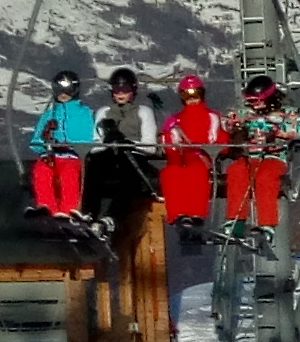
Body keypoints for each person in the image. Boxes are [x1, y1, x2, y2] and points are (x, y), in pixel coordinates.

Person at [224, 73, 300, 235]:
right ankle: (235, 221)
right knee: (236, 171)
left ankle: (267, 223)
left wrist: (277, 132)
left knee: (265, 177)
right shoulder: (244, 113)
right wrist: (237, 129)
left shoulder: (286, 113)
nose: (252, 105)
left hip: (273, 157)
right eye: (249, 100)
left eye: (256, 101)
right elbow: (227, 123)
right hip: (249, 156)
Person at [83, 68, 156, 226]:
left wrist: (129, 143)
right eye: (117, 89)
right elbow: (94, 146)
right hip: (109, 156)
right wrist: (107, 143)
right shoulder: (104, 112)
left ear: (133, 91)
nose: (121, 93)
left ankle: (112, 215)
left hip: (133, 156)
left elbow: (151, 147)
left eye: (126, 89)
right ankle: (89, 212)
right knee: (95, 165)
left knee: (128, 174)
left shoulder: (143, 112)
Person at [158, 71, 222, 230]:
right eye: (187, 97)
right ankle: (177, 213)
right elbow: (168, 143)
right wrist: (169, 139)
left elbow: (218, 138)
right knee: (170, 173)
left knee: (195, 171)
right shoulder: (175, 119)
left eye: (196, 95)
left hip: (201, 156)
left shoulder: (211, 116)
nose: (192, 100)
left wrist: (213, 147)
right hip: (179, 157)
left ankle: (196, 214)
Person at [26, 70, 94, 217]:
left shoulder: (84, 113)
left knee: (69, 174)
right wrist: (43, 147)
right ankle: (46, 206)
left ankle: (68, 210)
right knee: (41, 170)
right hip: (51, 155)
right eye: (59, 90)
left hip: (72, 156)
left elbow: (87, 137)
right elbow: (37, 137)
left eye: (68, 90)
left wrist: (71, 145)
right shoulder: (50, 114)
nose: (63, 94)